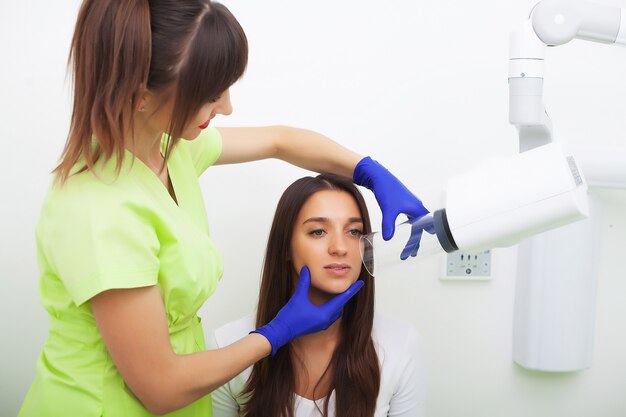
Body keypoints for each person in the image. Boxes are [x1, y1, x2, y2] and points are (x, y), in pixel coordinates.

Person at [19, 1, 428, 416]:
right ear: (140, 96)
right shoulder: (100, 211)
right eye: (210, 94)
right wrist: (277, 333)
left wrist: (369, 171)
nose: (227, 107)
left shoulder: (168, 149)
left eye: (354, 230)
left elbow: (280, 140)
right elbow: (159, 388)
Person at [209, 173, 425, 417]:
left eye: (354, 232)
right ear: (286, 247)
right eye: (318, 232)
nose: (340, 248)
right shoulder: (228, 345)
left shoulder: (400, 344)